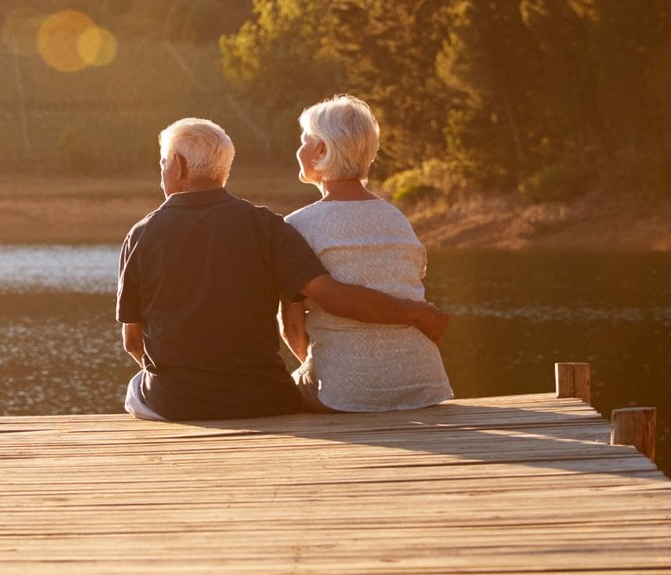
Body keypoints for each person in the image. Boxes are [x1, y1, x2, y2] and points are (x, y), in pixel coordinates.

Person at [117, 117, 448, 421]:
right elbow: (328, 296)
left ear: (177, 166)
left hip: (176, 403)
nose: (162, 173)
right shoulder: (269, 227)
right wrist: (417, 313)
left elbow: (133, 343)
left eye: (162, 164)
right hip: (263, 399)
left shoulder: (140, 235)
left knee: (136, 389)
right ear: (224, 169)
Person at [281, 94, 452, 412]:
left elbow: (291, 329)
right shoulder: (397, 218)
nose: (299, 149)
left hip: (345, 394)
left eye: (304, 140)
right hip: (423, 385)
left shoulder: (296, 226)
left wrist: (331, 371)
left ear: (321, 150)